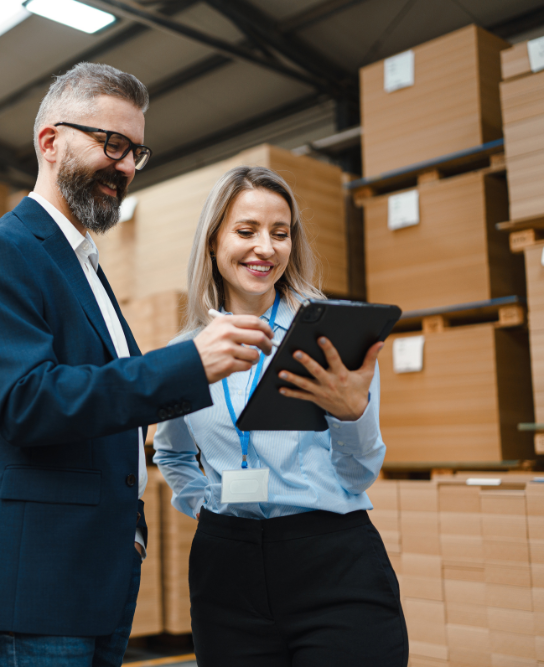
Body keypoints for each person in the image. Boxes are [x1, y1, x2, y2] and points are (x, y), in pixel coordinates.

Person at [0, 63, 277, 667]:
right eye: (111, 144)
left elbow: (110, 402)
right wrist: (185, 366)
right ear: (50, 142)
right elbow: (25, 402)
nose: (125, 166)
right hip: (37, 583)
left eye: (136, 152)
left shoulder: (86, 266)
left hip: (98, 573)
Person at [154, 166, 408, 667]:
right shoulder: (185, 351)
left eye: (280, 233)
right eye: (246, 231)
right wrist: (203, 504)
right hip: (227, 570)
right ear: (213, 242)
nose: (265, 248)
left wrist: (352, 415)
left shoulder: (330, 334)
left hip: (332, 558)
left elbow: (358, 475)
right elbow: (171, 451)